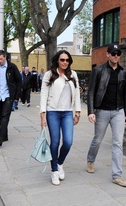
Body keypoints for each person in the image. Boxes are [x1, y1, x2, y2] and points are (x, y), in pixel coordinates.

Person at [86, 43, 126, 187]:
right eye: (113, 53)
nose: (116, 56)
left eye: (118, 54)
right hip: (102, 111)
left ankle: (117, 175)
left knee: (117, 143)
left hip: (118, 111)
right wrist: (91, 111)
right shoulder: (98, 70)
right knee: (97, 139)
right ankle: (91, 160)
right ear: (108, 54)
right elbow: (91, 91)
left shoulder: (123, 72)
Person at [40, 50, 81, 186]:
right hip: (53, 112)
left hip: (67, 112)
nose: (65, 62)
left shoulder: (73, 74)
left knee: (68, 142)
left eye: (67, 60)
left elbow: (77, 94)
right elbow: (43, 95)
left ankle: (59, 163)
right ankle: (54, 171)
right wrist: (43, 114)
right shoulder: (49, 74)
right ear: (57, 60)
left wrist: (78, 112)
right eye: (62, 60)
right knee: (55, 142)